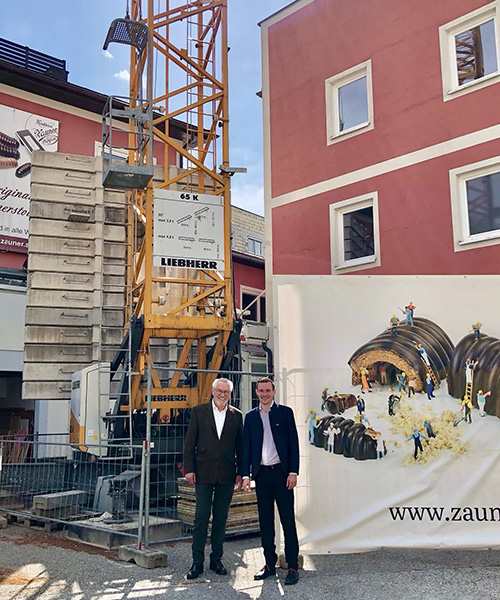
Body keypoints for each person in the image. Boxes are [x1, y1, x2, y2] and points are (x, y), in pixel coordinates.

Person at [183, 378, 243, 580]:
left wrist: (242, 473)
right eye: (219, 390)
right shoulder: (199, 412)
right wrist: (189, 469)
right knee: (201, 517)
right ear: (212, 390)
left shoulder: (237, 416)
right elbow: (189, 442)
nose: (222, 394)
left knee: (220, 518)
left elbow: (241, 447)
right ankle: (196, 562)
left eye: (226, 391)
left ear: (230, 393)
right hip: (203, 472)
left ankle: (216, 559)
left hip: (226, 474)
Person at [242, 377, 300, 586]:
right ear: (256, 393)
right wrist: (247, 475)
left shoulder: (285, 413)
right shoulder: (250, 417)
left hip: (282, 475)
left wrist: (293, 471)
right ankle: (268, 564)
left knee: (287, 521)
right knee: (266, 522)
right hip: (262, 476)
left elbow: (293, 443)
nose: (264, 394)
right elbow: (246, 448)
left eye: (268, 390)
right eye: (261, 391)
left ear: (274, 392)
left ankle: (292, 566)